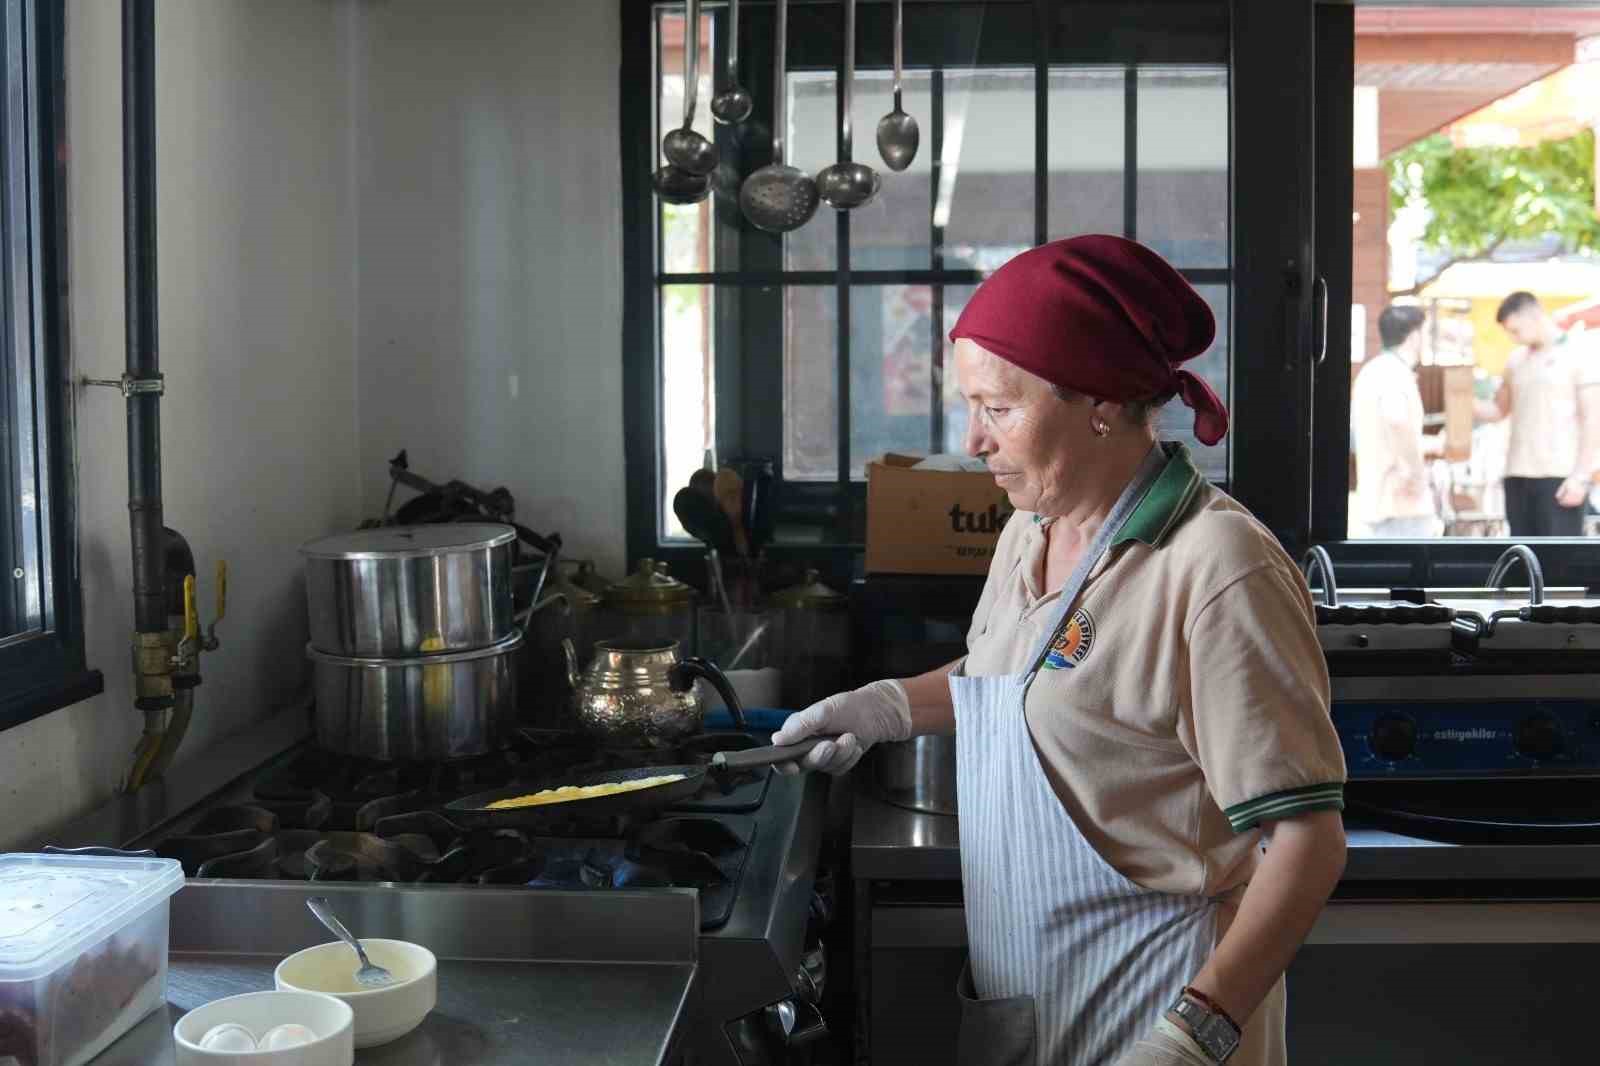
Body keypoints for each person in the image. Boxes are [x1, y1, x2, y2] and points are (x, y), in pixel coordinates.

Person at [775, 236, 1347, 1066]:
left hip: (1159, 1011)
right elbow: (1011, 673)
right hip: (1030, 1001)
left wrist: (1195, 1036)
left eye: (998, 409)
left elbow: (1308, 842)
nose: (973, 440)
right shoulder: (1031, 528)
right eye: (970, 406)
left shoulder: (1218, 567)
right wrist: (887, 707)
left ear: (1102, 403)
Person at [1477, 291, 1600, 536]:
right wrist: (1458, 398)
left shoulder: (1579, 353)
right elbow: (1499, 409)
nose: (1514, 338)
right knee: (1520, 552)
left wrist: (1582, 476)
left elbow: (1593, 418)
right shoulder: (1515, 360)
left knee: (1558, 556)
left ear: (1534, 315)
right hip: (1517, 474)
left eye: (1516, 330)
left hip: (1560, 475)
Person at [1349, 304, 1444, 537]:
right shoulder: (1395, 373)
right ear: (1414, 336)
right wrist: (1415, 473)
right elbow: (1396, 420)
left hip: (1377, 498)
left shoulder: (1371, 370)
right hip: (1401, 501)